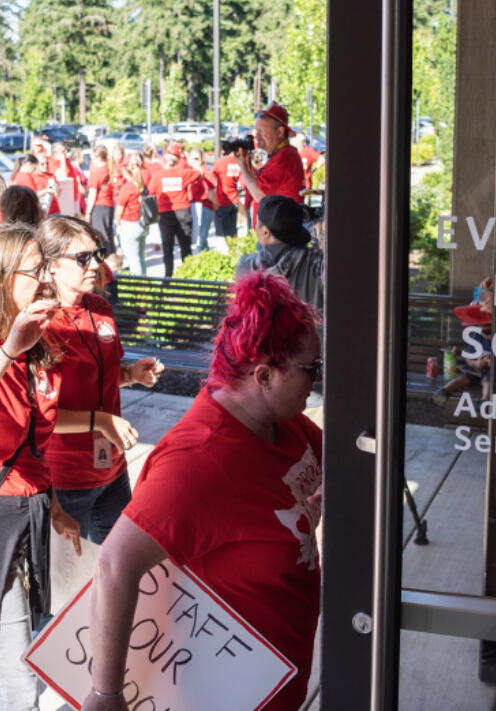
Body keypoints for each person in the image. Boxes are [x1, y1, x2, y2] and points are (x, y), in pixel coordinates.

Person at [81, 271, 322, 711]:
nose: (317, 381)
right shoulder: (200, 459)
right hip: (217, 690)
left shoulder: (282, 423)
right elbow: (116, 564)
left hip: (277, 678)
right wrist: (106, 694)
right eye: (312, 369)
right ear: (264, 376)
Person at [0, 222, 136, 710]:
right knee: (17, 679)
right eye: (36, 268)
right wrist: (7, 351)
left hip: (30, 512)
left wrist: (55, 506)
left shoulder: (38, 341)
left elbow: (34, 441)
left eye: (45, 266)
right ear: (0, 278)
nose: (45, 278)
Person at [37, 216, 160, 544]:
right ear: (50, 268)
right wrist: (102, 421)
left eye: (97, 254)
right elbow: (41, 416)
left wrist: (131, 375)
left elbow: (100, 377)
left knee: (114, 566)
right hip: (64, 479)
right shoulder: (40, 325)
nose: (94, 265)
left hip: (112, 469)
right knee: (71, 582)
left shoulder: (100, 307)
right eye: (82, 258)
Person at [235, 195, 324, 310]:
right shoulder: (318, 264)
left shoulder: (246, 267)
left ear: (266, 233)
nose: (255, 228)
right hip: (311, 328)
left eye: (258, 223)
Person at [236, 102, 306, 227]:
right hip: (277, 235)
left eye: (262, 131)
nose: (256, 136)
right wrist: (246, 163)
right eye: (256, 131)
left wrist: (242, 165)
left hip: (279, 237)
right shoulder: (283, 154)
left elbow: (259, 194)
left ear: (280, 132)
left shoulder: (283, 157)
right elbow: (261, 183)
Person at [144, 143, 199, 277]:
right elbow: (199, 173)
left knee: (167, 248)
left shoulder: (158, 176)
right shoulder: (184, 173)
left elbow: (151, 191)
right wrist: (186, 159)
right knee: (185, 247)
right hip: (184, 211)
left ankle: (168, 276)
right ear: (178, 159)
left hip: (165, 213)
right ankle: (188, 276)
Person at [113, 160, 146, 275]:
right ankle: (145, 283)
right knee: (141, 257)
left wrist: (117, 223)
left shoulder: (127, 187)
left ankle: (138, 287)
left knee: (133, 259)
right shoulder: (141, 185)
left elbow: (119, 209)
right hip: (142, 224)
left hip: (130, 224)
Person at [85, 144, 117, 255]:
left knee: (101, 236)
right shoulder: (108, 169)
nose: (92, 161)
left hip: (99, 206)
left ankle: (106, 260)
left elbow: (92, 194)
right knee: (108, 234)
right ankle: (112, 258)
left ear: (98, 158)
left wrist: (88, 213)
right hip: (109, 205)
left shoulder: (97, 173)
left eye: (92, 158)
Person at [185, 148, 217, 255]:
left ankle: (202, 259)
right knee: (200, 238)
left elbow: (212, 193)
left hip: (203, 206)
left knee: (200, 238)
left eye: (197, 159)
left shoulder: (205, 172)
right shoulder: (189, 171)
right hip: (192, 206)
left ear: (202, 159)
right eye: (193, 159)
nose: (196, 161)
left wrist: (217, 207)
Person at [211, 146, 243, 241]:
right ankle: (235, 250)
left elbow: (212, 176)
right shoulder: (239, 163)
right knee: (233, 229)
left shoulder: (221, 162)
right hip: (235, 199)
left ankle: (232, 252)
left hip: (223, 200)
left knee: (226, 232)